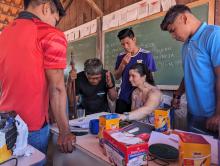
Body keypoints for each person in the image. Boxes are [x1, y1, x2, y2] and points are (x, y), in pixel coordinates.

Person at [0, 0, 75, 154]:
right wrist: (65, 132)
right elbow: (57, 88)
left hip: (4, 125)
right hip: (32, 129)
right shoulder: (50, 34)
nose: (55, 25)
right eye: (55, 19)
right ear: (46, 8)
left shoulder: (4, 34)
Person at [160, 4, 220, 137]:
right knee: (192, 155)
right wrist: (178, 94)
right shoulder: (186, 45)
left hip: (212, 118)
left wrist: (218, 114)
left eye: (173, 30)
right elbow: (188, 73)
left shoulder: (214, 35)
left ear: (184, 18)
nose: (173, 36)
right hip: (193, 113)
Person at [114, 28, 157, 114]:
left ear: (134, 39)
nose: (125, 47)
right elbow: (116, 76)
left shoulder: (146, 55)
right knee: (119, 124)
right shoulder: (120, 56)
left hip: (140, 99)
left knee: (137, 124)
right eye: (123, 44)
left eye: (127, 43)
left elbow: (151, 79)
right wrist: (122, 64)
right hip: (123, 97)